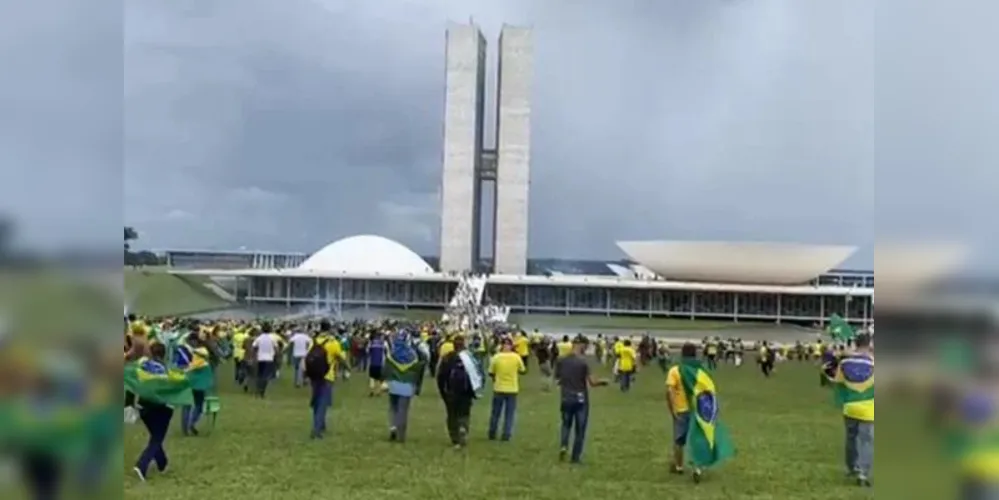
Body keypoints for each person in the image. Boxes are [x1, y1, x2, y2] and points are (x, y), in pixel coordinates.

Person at [554, 337, 607, 464]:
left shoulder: (561, 360)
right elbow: (592, 382)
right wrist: (603, 382)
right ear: (581, 345)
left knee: (566, 425)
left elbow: (557, 379)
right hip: (580, 398)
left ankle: (564, 445)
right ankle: (575, 457)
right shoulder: (583, 362)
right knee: (580, 429)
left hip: (566, 396)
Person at [833, 333, 874, 487]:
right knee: (866, 441)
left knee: (851, 438)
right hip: (869, 407)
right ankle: (863, 473)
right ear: (869, 343)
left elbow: (838, 384)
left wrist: (840, 401)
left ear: (855, 343)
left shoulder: (845, 363)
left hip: (850, 406)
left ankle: (852, 468)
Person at [133, 343, 175, 482]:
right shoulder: (165, 370)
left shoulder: (143, 366)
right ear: (164, 353)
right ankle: (142, 465)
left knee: (155, 437)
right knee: (157, 438)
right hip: (161, 407)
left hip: (144, 406)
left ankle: (162, 463)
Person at [436, 336, 482, 449]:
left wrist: (443, 391)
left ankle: (455, 438)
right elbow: (478, 373)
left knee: (452, 414)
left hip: (451, 391)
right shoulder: (470, 357)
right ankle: (463, 428)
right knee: (464, 413)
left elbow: (441, 376)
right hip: (466, 392)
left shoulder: (448, 357)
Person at [384, 332, 425, 443]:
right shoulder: (413, 355)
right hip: (407, 386)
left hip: (393, 384)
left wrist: (385, 380)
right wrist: (416, 385)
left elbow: (386, 369)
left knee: (393, 408)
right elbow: (417, 372)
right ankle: (401, 434)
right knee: (403, 410)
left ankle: (393, 427)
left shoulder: (392, 354)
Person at [666, 343, 698, 479]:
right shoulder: (698, 371)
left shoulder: (675, 371)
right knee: (697, 439)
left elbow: (669, 391)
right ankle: (697, 468)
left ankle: (679, 467)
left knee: (679, 440)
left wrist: (672, 409)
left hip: (681, 409)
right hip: (697, 409)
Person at [487, 337, 526, 441]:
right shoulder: (516, 357)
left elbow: (491, 372)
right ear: (511, 346)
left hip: (499, 387)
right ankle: (506, 434)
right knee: (509, 414)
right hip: (512, 389)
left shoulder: (496, 357)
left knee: (495, 413)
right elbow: (523, 370)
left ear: (501, 345)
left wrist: (496, 377)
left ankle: (492, 432)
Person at [252, 324, 277, 397]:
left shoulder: (259, 338)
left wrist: (255, 354)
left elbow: (254, 347)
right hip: (269, 358)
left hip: (260, 358)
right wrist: (276, 355)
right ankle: (262, 391)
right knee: (266, 376)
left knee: (259, 375)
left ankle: (258, 390)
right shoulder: (272, 338)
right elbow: (276, 348)